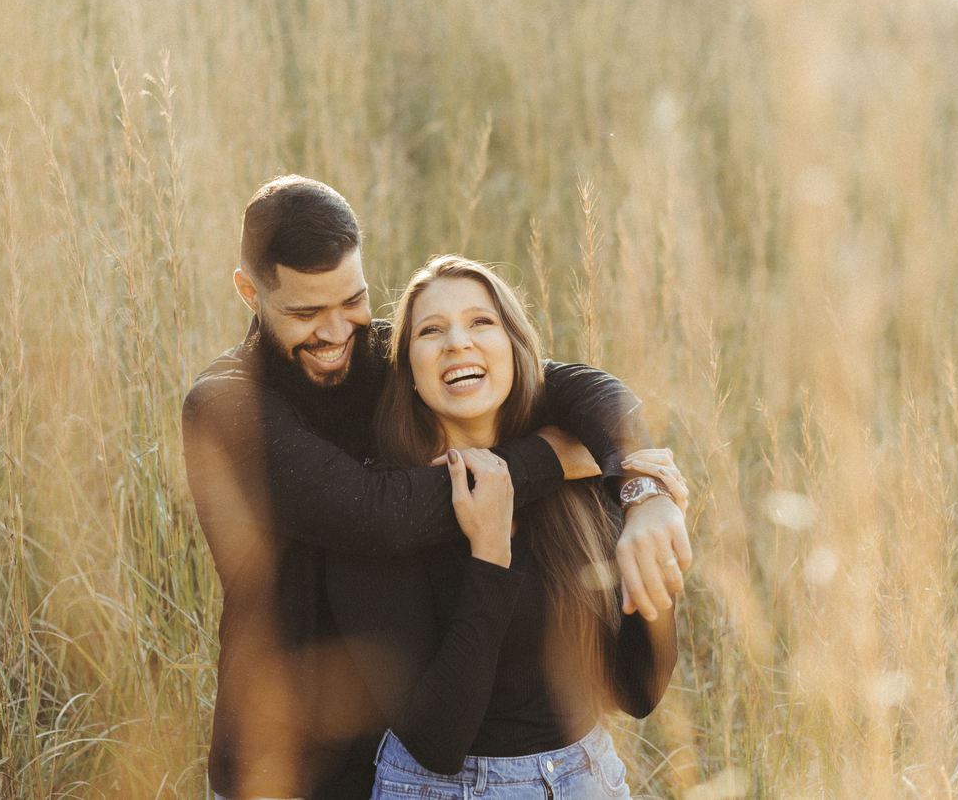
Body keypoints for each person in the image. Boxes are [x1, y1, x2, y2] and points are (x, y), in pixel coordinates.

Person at [181, 177, 691, 800]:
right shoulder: (225, 406)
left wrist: (643, 487)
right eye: (305, 312)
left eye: (354, 301)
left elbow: (566, 383)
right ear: (248, 291)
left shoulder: (381, 358)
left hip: (392, 754)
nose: (338, 332)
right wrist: (547, 458)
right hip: (282, 762)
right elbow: (374, 515)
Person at [326, 255, 687, 799]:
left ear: (515, 347)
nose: (457, 343)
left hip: (588, 777)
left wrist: (652, 553)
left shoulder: (574, 471)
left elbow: (637, 693)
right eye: (430, 330)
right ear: (407, 367)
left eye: (481, 322)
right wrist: (490, 553)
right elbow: (438, 740)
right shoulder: (382, 513)